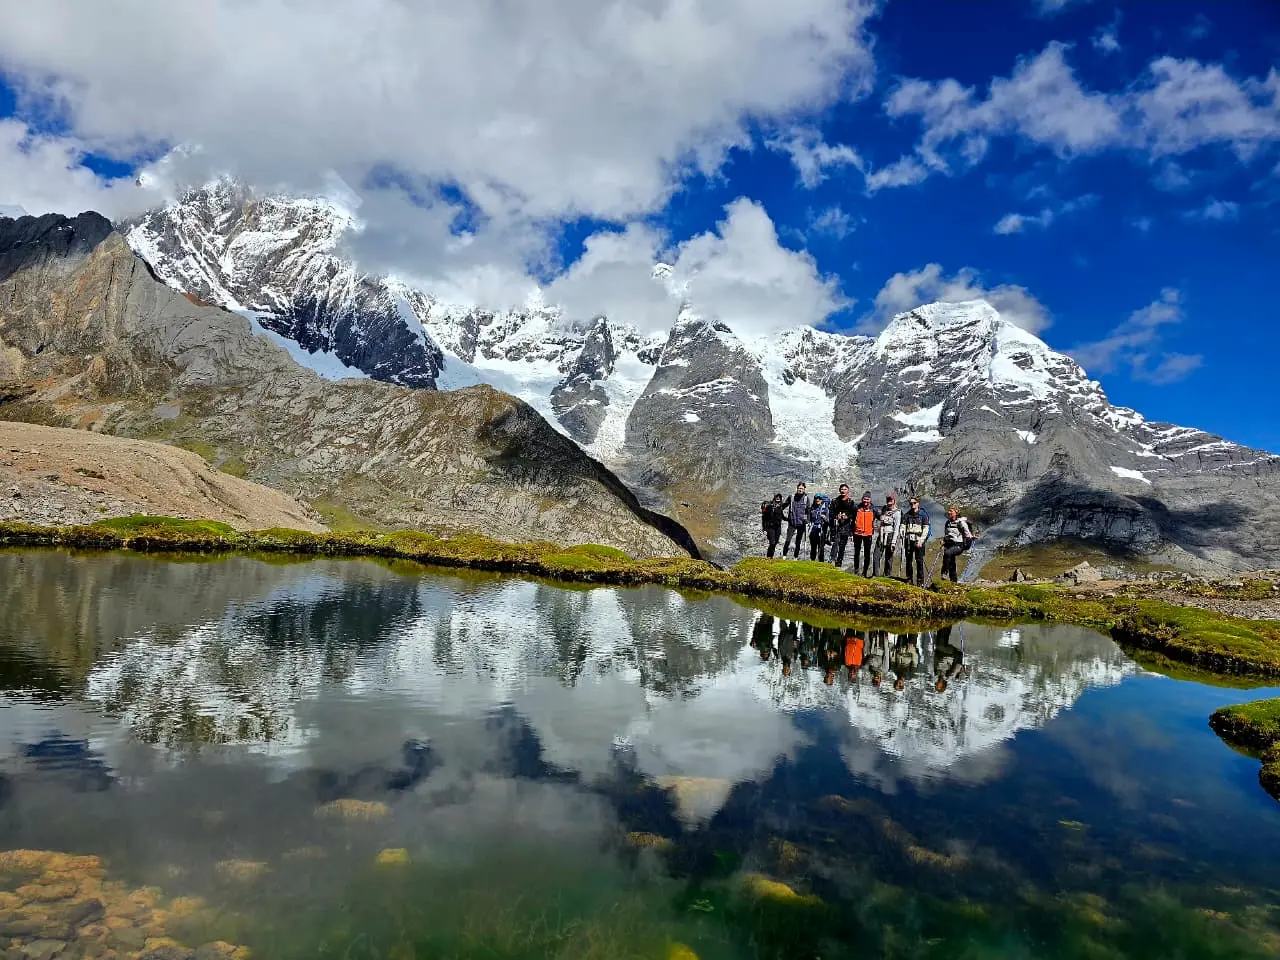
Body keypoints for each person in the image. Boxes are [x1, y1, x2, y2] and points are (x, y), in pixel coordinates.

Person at [940, 506, 978, 583]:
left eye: (951, 511)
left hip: (959, 545)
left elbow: (968, 534)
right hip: (949, 544)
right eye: (949, 511)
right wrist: (943, 540)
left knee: (947, 553)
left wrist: (972, 538)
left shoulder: (962, 523)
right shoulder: (948, 523)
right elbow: (947, 534)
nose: (949, 512)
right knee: (951, 562)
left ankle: (944, 573)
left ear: (956, 513)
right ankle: (953, 581)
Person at [901, 496, 931, 587]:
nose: (912, 505)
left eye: (914, 503)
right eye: (911, 503)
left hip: (919, 540)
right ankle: (909, 579)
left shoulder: (923, 515)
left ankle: (920, 582)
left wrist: (921, 540)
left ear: (918, 503)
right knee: (909, 560)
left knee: (919, 561)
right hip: (909, 540)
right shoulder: (907, 515)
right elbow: (903, 526)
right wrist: (902, 533)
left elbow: (926, 529)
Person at [872, 492, 901, 578]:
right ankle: (875, 575)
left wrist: (893, 542)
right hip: (881, 535)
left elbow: (896, 528)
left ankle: (887, 576)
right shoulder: (884, 509)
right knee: (876, 555)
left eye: (890, 499)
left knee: (888, 557)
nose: (889, 501)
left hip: (890, 535)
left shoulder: (897, 513)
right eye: (888, 499)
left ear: (894, 500)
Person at [828, 483, 856, 566]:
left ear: (848, 491)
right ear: (839, 490)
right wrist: (836, 516)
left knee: (842, 545)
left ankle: (839, 562)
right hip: (837, 525)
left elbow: (853, 515)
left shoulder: (851, 502)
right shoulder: (835, 501)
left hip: (846, 526)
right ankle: (832, 560)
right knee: (835, 542)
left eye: (845, 489)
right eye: (842, 489)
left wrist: (847, 517)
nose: (843, 491)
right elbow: (831, 513)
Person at [850, 491, 877, 576]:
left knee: (867, 554)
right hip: (857, 533)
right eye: (864, 499)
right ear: (862, 499)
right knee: (856, 553)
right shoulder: (856, 508)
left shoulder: (874, 509)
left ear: (870, 500)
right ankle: (856, 570)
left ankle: (864, 573)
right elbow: (852, 521)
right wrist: (851, 533)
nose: (865, 501)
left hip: (868, 534)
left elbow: (881, 516)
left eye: (867, 499)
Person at [781, 482, 810, 559]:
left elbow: (808, 510)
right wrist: (781, 515)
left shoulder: (806, 499)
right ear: (797, 488)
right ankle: (784, 556)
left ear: (804, 490)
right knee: (788, 540)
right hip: (792, 522)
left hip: (801, 524)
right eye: (799, 488)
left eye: (802, 489)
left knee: (798, 541)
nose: (800, 490)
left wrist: (807, 520)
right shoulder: (792, 497)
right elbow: (783, 506)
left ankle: (795, 558)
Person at [807, 494, 831, 562]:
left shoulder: (825, 509)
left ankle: (821, 562)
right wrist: (807, 521)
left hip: (821, 530)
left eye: (819, 499)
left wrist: (825, 518)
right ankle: (812, 560)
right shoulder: (813, 508)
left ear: (822, 500)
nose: (817, 500)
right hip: (813, 529)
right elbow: (810, 518)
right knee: (813, 546)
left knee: (821, 547)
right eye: (816, 498)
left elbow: (829, 520)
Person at [761, 494, 785, 558]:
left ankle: (771, 557)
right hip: (771, 527)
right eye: (777, 498)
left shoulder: (780, 507)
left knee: (775, 543)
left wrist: (790, 520)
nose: (778, 499)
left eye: (779, 498)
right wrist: (764, 529)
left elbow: (782, 517)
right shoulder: (770, 507)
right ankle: (769, 557)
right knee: (772, 543)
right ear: (774, 499)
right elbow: (764, 518)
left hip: (778, 528)